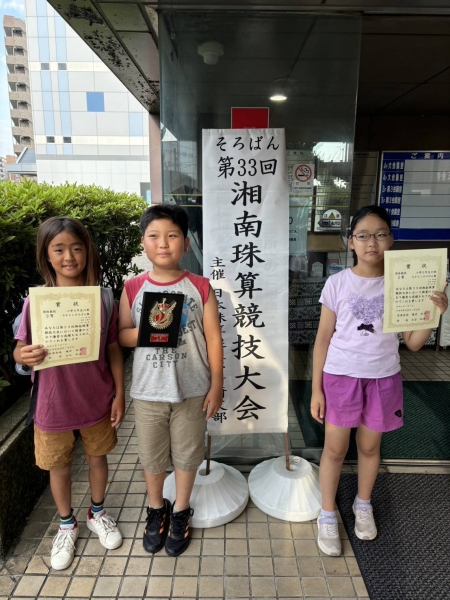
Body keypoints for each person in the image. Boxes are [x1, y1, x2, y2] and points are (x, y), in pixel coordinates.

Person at [310, 205, 448, 557]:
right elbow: (323, 339)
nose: (372, 242)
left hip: (383, 378)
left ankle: (363, 503)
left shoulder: (403, 284)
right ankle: (328, 514)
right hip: (340, 377)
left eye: (380, 234)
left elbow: (413, 343)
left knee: (370, 448)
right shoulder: (337, 283)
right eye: (363, 235)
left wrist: (435, 313)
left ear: (391, 239)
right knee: (335, 449)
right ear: (351, 242)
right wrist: (316, 390)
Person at [14, 217, 124, 570]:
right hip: (52, 403)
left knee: (98, 458)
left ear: (87, 251)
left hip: (96, 399)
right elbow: (19, 349)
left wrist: (120, 394)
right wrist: (24, 356)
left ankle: (97, 513)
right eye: (58, 249)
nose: (69, 257)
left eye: (76, 248)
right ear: (46, 255)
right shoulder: (36, 302)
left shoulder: (103, 299)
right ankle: (66, 524)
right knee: (58, 467)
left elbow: (113, 349)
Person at [118, 204, 223, 557]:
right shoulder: (133, 287)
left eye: (173, 236)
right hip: (148, 390)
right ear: (143, 243)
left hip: (192, 390)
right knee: (151, 456)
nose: (163, 243)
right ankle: (155, 509)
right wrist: (150, 329)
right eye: (154, 236)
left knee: (188, 454)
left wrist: (217, 384)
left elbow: (213, 338)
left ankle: (180, 510)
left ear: (186, 243)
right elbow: (121, 335)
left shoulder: (200, 286)